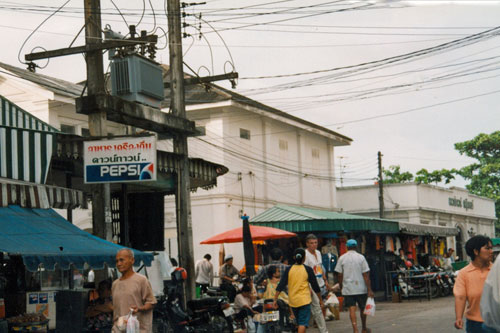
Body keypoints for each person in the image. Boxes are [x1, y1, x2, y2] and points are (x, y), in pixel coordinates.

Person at [274, 248, 324, 333]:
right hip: (304, 301)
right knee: (302, 324)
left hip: (293, 301)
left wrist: (275, 299)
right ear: (304, 258)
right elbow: (315, 287)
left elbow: (281, 285)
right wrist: (320, 300)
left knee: (298, 323)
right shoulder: (307, 269)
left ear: (294, 257)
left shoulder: (289, 269)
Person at [454, 235, 493, 332]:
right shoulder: (464, 274)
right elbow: (460, 297)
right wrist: (459, 318)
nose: (491, 251)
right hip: (475, 325)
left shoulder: (496, 270)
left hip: (496, 323)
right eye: (487, 248)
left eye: (491, 248)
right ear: (476, 251)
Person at [112, 249, 157, 333]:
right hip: (118, 330)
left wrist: (140, 309)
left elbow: (151, 303)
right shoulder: (115, 284)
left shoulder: (141, 280)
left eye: (121, 260)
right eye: (117, 261)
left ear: (132, 260)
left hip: (138, 330)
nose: (118, 264)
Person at [335, 239, 373, 333]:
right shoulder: (361, 258)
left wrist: (341, 285)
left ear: (347, 247)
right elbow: (366, 275)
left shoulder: (342, 258)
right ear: (356, 247)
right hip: (361, 288)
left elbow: (339, 274)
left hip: (348, 288)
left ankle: (355, 329)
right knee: (362, 308)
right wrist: (369, 289)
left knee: (352, 308)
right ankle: (364, 328)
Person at [304, 234, 329, 333]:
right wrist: (308, 286)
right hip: (311, 284)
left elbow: (320, 267)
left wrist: (325, 280)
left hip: (320, 283)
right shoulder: (305, 255)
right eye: (311, 243)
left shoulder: (318, 253)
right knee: (317, 308)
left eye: (315, 243)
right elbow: (305, 271)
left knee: (319, 306)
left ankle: (319, 327)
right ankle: (324, 331)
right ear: (307, 244)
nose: (314, 245)